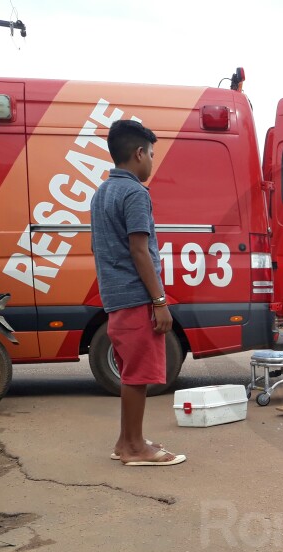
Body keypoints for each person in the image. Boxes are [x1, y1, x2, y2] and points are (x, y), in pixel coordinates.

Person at [92, 119, 186, 467]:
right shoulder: (134, 193)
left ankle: (125, 441)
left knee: (133, 371)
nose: (151, 162)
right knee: (138, 375)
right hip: (136, 297)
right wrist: (159, 301)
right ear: (138, 153)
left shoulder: (102, 191)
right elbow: (139, 250)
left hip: (116, 297)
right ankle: (135, 449)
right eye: (151, 154)